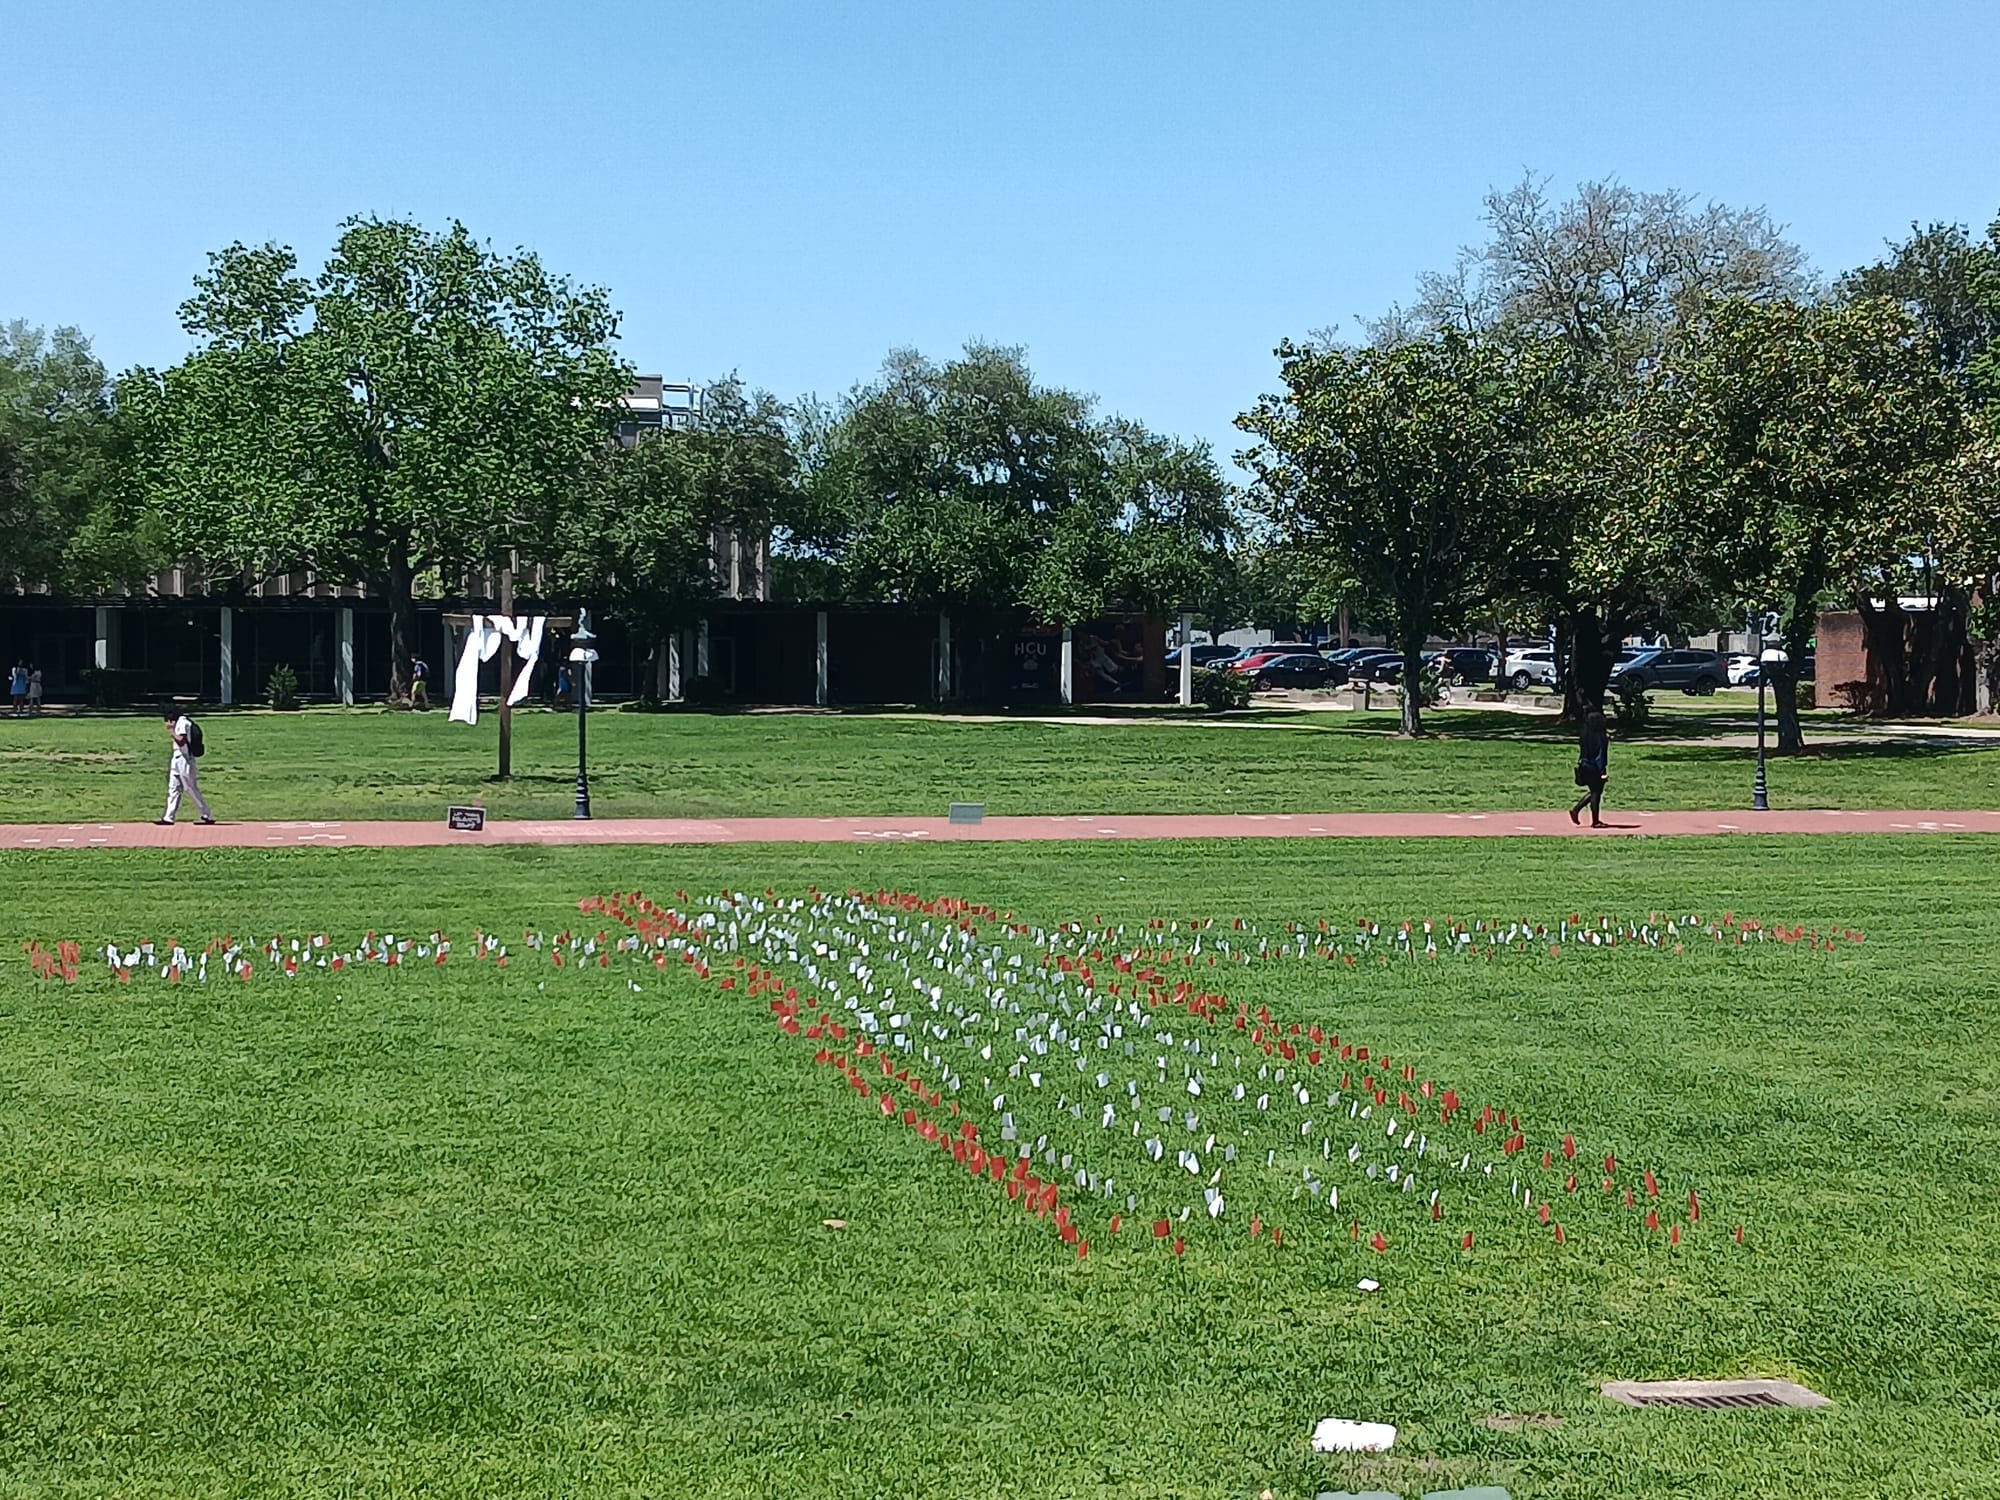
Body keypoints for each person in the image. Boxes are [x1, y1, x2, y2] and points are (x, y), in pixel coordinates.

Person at [155, 705, 215, 826]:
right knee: (173, 788)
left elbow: (181, 740)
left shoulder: (182, 723)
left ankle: (207, 815)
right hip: (177, 758)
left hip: (185, 758)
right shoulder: (181, 721)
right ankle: (168, 817)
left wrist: (171, 731)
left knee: (190, 788)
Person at [1569, 707, 1610, 828]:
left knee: (1594, 791)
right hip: (1594, 767)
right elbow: (1600, 755)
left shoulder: (1585, 734)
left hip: (1584, 764)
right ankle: (1594, 820)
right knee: (1596, 793)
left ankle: (1577, 810)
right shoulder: (1600, 736)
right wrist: (1602, 771)